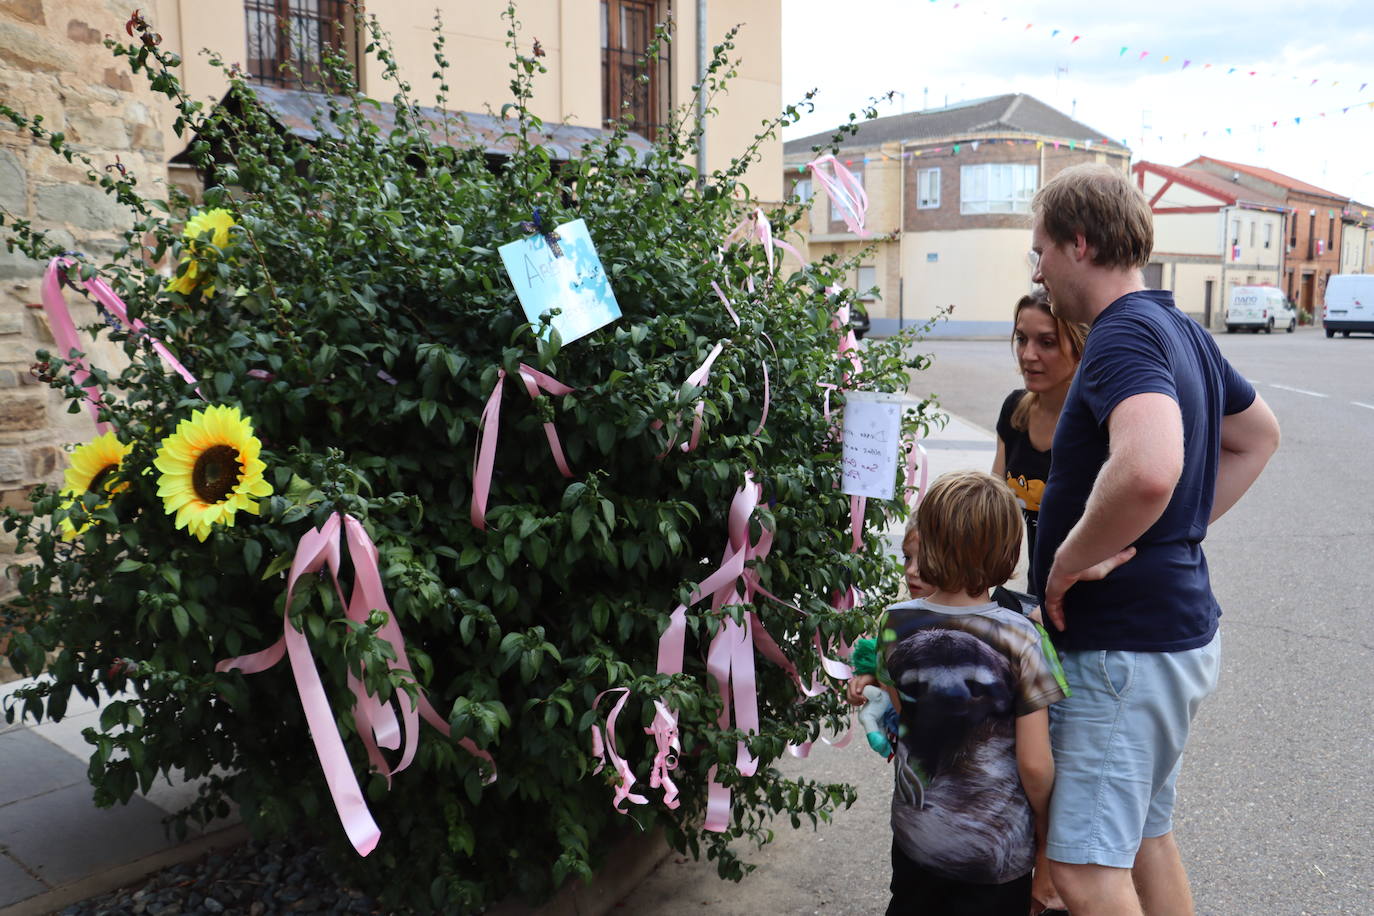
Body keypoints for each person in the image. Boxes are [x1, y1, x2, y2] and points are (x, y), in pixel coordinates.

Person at [1028, 163, 1281, 916]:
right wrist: (1176, 531)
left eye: (1039, 251)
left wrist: (1066, 565)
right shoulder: (1178, 328)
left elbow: (1148, 469)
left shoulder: (1123, 334)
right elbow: (1257, 436)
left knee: (1082, 871)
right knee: (1143, 840)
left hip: (1123, 652)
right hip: (1165, 640)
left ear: (1079, 242)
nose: (1037, 272)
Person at [848, 471, 1095, 915]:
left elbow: (905, 716)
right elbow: (1035, 765)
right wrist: (1046, 848)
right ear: (1008, 551)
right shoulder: (1023, 639)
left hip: (916, 838)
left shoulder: (894, 621)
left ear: (927, 540)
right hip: (995, 853)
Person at [993, 288, 1089, 594]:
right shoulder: (1014, 411)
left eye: (1046, 342)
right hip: (1040, 595)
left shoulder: (1098, 424)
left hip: (1100, 608)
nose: (1028, 355)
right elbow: (994, 508)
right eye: (1022, 339)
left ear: (1080, 346)